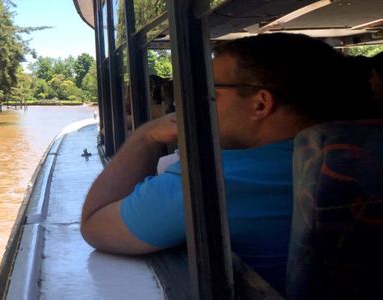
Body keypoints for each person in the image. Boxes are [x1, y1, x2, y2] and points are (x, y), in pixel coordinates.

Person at [80, 33, 358, 294]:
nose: (197, 103)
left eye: (211, 92)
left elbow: (95, 225)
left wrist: (146, 136)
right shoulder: (358, 159)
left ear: (261, 104)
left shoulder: (216, 178)